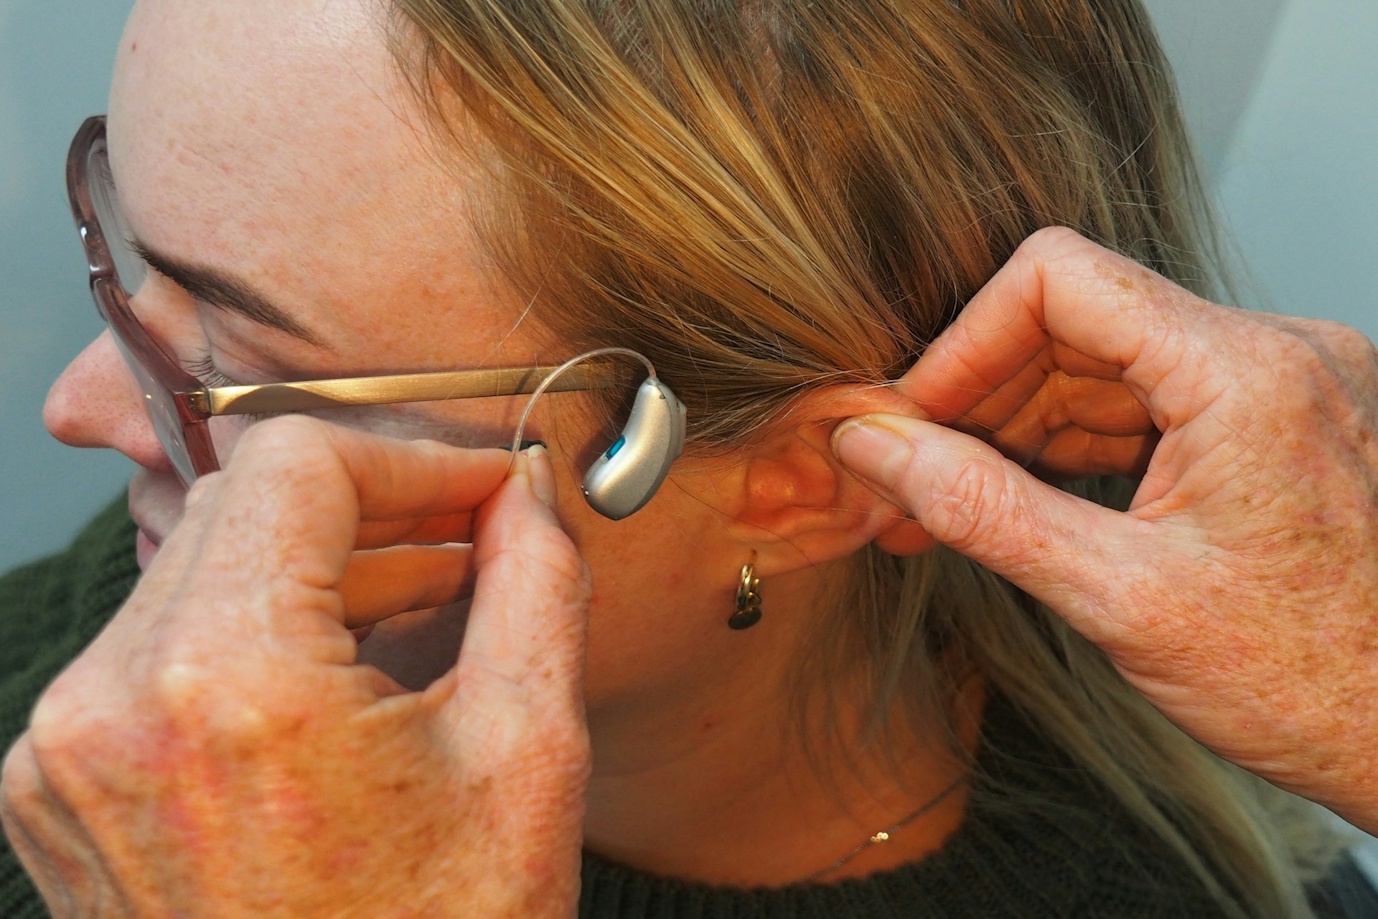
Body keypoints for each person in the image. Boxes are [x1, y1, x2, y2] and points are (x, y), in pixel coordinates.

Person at [0, 0, 1375, 917]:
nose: (76, 405)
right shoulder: (127, 681)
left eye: (242, 362)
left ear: (815, 470)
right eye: (127, 260)